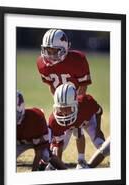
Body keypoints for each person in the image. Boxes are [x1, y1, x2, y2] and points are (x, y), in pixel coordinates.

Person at [37, 28, 93, 168]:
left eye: (54, 51)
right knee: (57, 138)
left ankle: (81, 159)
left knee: (78, 130)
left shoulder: (77, 60)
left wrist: (73, 105)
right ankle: (52, 161)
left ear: (64, 49)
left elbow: (83, 86)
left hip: (74, 102)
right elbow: (51, 86)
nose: (49, 55)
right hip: (61, 104)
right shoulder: (42, 64)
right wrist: (60, 104)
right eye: (47, 51)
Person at [48, 83, 106, 169]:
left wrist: (98, 129)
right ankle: (51, 164)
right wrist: (58, 165)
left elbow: (99, 112)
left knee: (101, 144)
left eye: (67, 107)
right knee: (55, 148)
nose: (64, 112)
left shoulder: (86, 102)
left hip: (88, 120)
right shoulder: (54, 119)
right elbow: (58, 143)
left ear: (75, 104)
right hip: (70, 125)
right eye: (61, 108)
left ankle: (82, 161)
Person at [16, 91, 67, 171]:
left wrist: (34, 173)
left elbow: (38, 152)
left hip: (36, 138)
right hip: (18, 143)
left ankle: (65, 171)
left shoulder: (35, 118)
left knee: (46, 154)